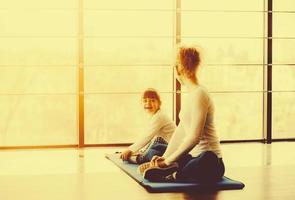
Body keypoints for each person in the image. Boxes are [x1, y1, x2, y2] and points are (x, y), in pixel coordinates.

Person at [141, 46, 225, 183]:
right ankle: (175, 170)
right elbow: (180, 132)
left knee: (207, 158)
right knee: (159, 148)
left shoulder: (200, 94)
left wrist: (168, 162)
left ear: (179, 70)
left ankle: (173, 175)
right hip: (192, 158)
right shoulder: (191, 95)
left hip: (212, 163)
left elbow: (194, 138)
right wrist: (166, 156)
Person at [120, 88, 176, 164]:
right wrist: (139, 150)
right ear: (141, 103)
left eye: (152, 100)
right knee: (152, 147)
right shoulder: (153, 116)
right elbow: (147, 137)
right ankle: (143, 155)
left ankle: (141, 158)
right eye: (145, 101)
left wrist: (130, 149)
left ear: (159, 103)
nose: (148, 103)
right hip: (164, 147)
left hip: (169, 147)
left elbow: (147, 137)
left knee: (155, 146)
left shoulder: (160, 116)